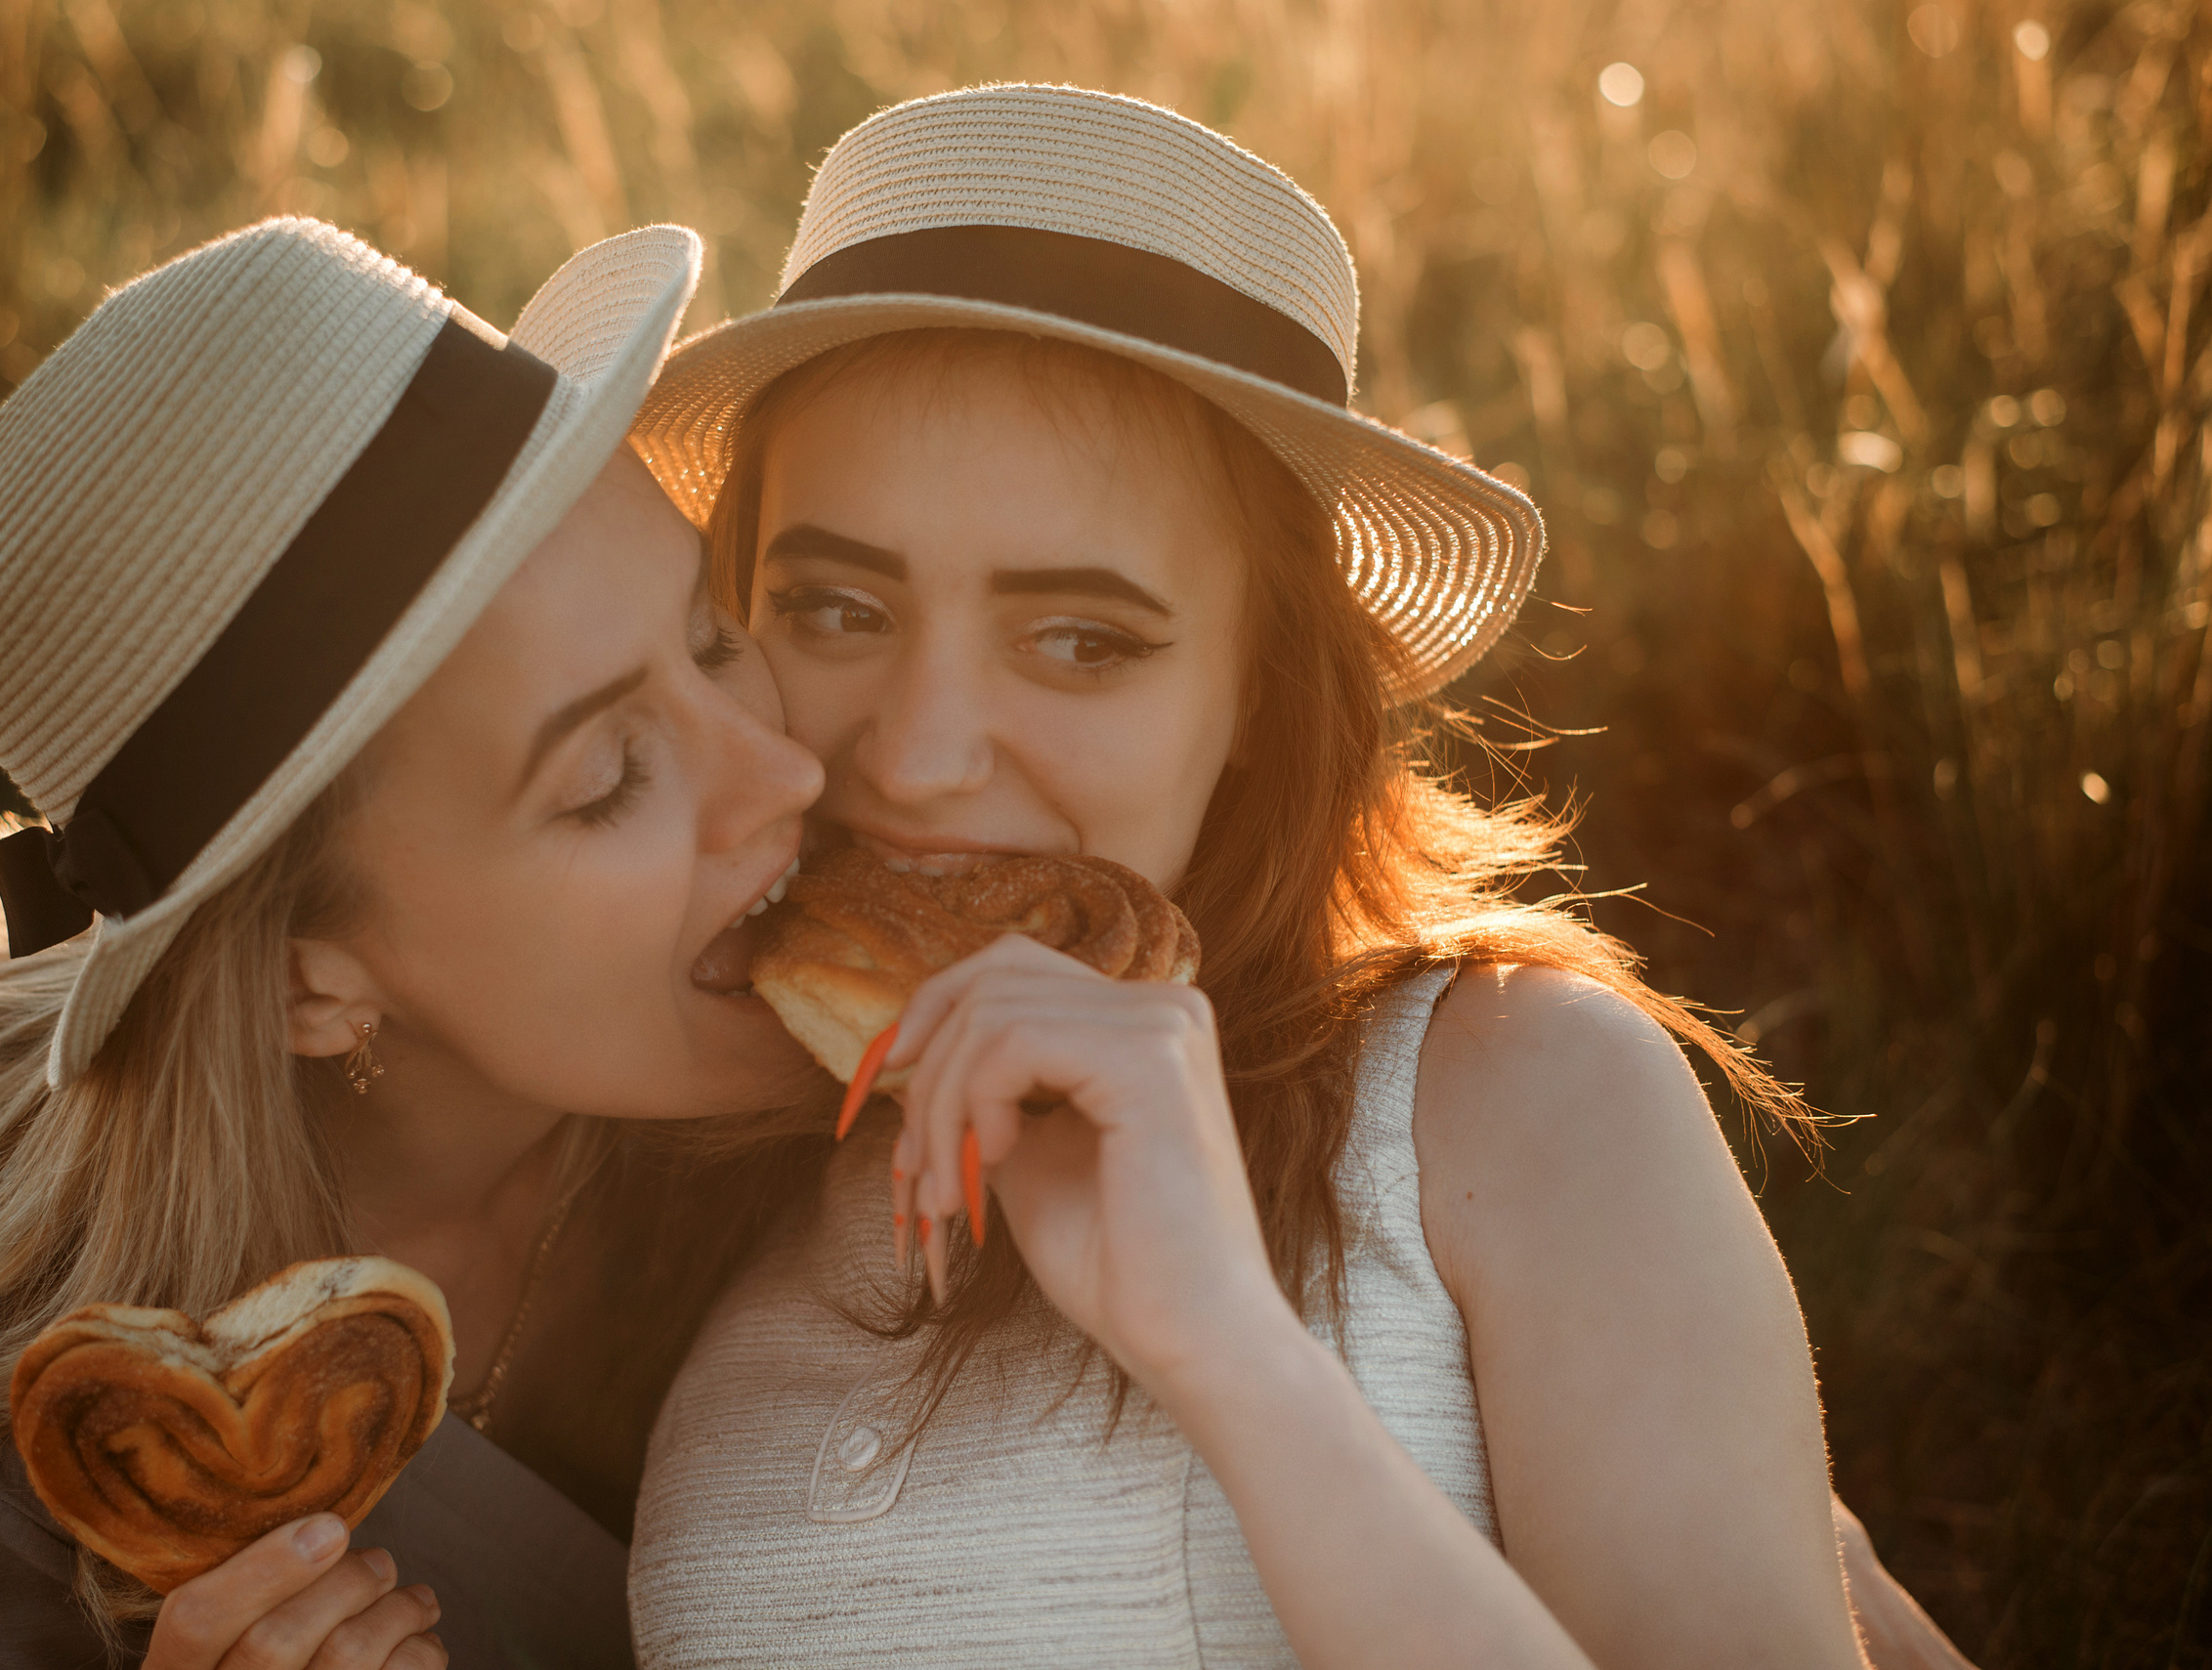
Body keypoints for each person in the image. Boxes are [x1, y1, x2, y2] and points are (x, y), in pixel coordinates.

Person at [623, 85, 1977, 1668]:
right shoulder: (687, 1143)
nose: (920, 755)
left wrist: (1239, 1364)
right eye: (839, 608)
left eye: (1081, 639)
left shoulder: (1512, 1087)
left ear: (1263, 687)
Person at [0, 217, 833, 1669]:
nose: (787, 775)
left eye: (713, 633)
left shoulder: (846, 1111)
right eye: (608, 777)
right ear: (311, 978)